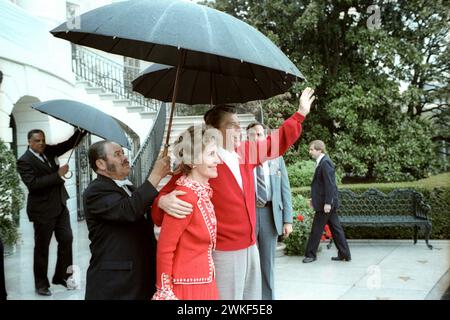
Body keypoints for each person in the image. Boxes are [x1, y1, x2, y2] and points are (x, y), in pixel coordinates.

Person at [153, 87, 315, 300]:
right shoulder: (201, 162)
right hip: (224, 252)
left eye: (239, 125)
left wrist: (299, 114)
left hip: (251, 246)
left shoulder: (245, 151)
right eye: (232, 125)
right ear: (213, 130)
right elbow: (163, 203)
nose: (239, 130)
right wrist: (162, 201)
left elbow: (275, 143)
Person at [83, 140, 170, 300]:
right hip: (116, 283)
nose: (124, 157)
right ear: (101, 163)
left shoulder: (128, 187)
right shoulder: (95, 191)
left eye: (123, 153)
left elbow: (143, 207)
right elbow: (128, 210)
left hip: (139, 277)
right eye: (117, 154)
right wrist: (156, 175)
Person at [152, 125, 221, 300]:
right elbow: (165, 249)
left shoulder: (201, 192)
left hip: (204, 283)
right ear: (192, 161)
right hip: (187, 290)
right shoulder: (184, 197)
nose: (218, 160)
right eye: (212, 154)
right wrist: (164, 290)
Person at [17, 128, 86, 296]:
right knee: (42, 248)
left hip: (60, 205)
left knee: (67, 239)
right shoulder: (24, 161)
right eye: (37, 141)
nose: (41, 143)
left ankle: (62, 276)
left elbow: (68, 144)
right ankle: (41, 284)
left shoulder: (48, 150)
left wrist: (80, 132)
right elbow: (33, 184)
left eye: (42, 140)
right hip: (42, 210)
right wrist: (58, 175)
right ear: (29, 142)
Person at [246, 122, 293, 300]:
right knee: (250, 263)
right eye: (252, 135)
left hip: (269, 215)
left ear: (265, 136)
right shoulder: (243, 157)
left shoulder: (275, 157)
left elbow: (285, 189)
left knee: (268, 263)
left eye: (259, 134)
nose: (256, 138)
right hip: (248, 215)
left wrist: (287, 220)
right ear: (247, 138)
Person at [303, 140, 351, 263]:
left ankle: (310, 254)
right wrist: (314, 199)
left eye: (312, 149)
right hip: (325, 203)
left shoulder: (325, 163)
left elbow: (330, 185)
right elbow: (320, 186)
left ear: (319, 150)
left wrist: (328, 203)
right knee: (336, 229)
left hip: (326, 204)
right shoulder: (322, 162)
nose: (310, 152)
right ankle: (344, 254)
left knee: (316, 229)